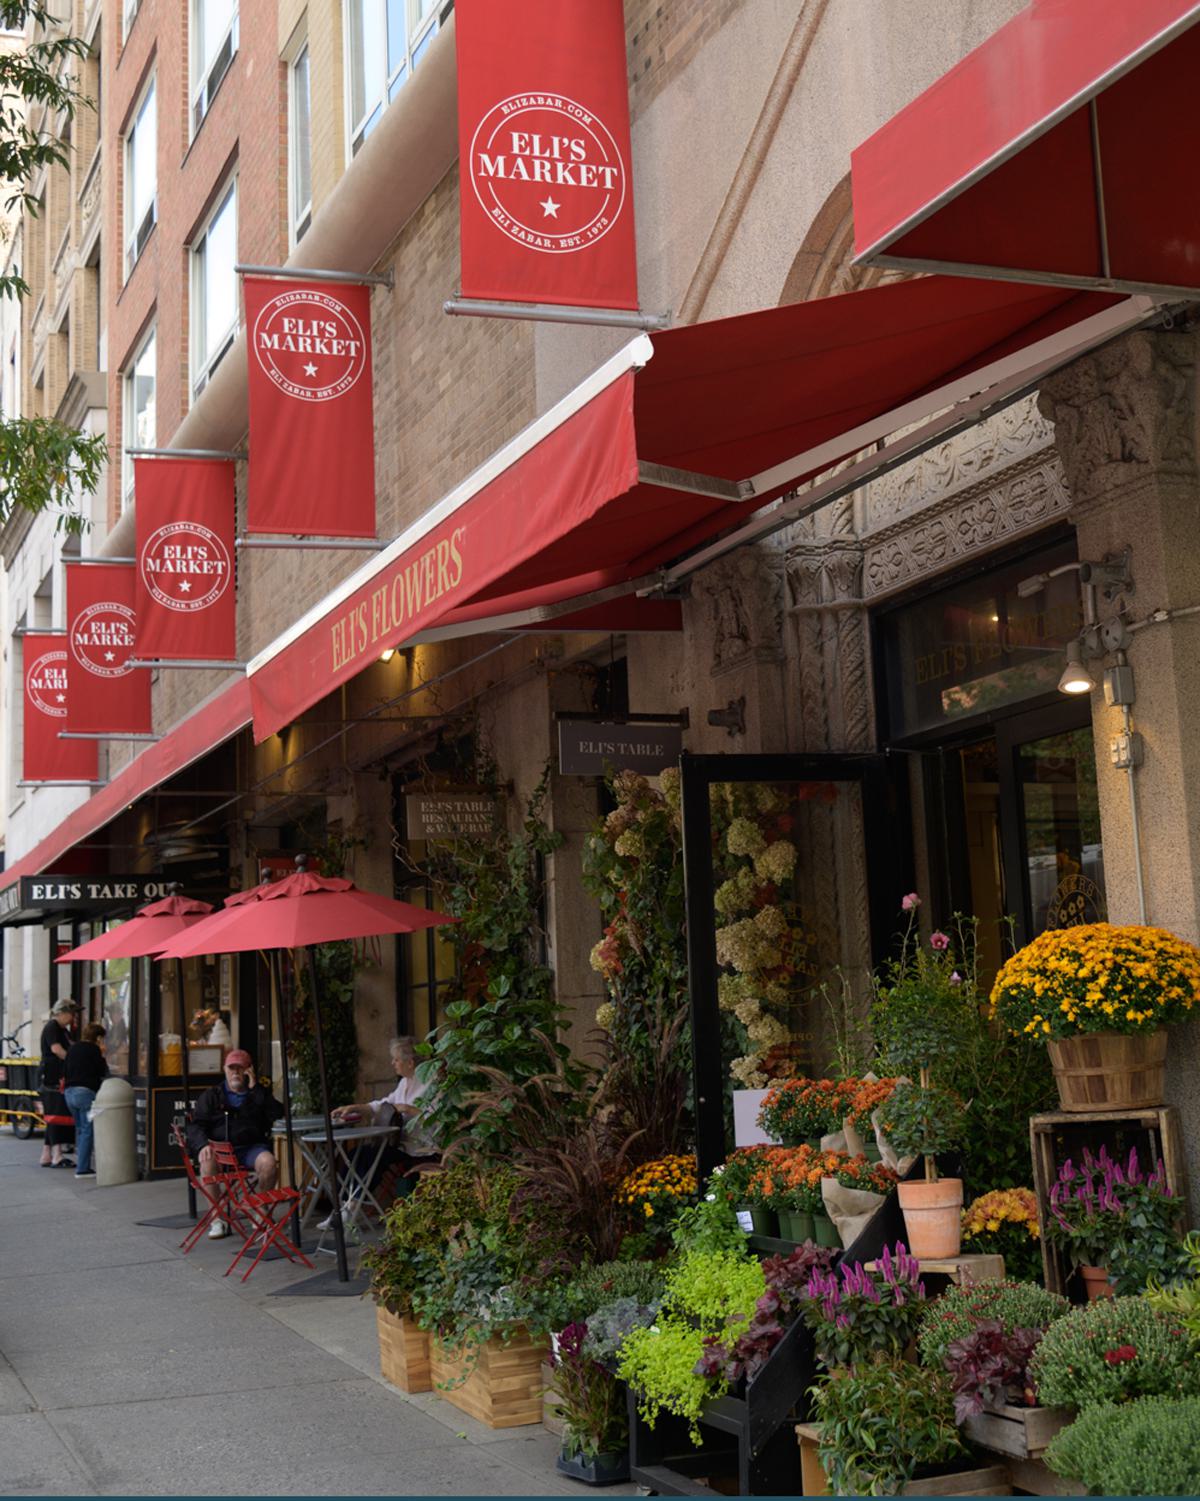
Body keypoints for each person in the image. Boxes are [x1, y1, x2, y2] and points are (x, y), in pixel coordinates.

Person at [320, 1036, 439, 1228]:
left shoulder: (431, 1084)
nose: (392, 1063)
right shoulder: (405, 1082)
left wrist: (408, 1109)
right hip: (402, 1144)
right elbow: (384, 1104)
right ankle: (343, 1207)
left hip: (422, 1149)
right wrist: (354, 1107)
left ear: (410, 1062)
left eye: (396, 1059)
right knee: (355, 1154)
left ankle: (351, 1210)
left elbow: (438, 1119)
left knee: (373, 1157)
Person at [186, 1050, 283, 1238]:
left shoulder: (258, 1094)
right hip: (220, 1151)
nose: (235, 1073)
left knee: (269, 1163)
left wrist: (256, 1090)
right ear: (224, 1070)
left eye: (240, 1068)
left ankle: (261, 1211)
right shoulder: (212, 1095)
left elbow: (278, 1114)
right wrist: (202, 1145)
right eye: (232, 1068)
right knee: (206, 1160)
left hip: (251, 1148)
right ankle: (216, 1219)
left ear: (249, 1070)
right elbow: (196, 1125)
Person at [63, 1023, 109, 1179]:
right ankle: (82, 1169)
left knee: (81, 1129)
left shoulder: (73, 1048)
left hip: (69, 1094)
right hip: (85, 1094)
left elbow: (65, 1070)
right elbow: (101, 1071)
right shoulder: (94, 1050)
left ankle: (82, 1164)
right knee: (88, 1130)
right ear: (98, 1038)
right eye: (102, 1039)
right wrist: (102, 1055)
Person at [39, 999, 79, 1168]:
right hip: (52, 1076)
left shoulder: (63, 1030)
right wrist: (74, 1062)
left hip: (57, 1075)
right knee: (55, 1114)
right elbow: (57, 1050)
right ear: (61, 1013)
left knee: (52, 1114)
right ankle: (57, 1154)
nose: (73, 1017)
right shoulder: (53, 1027)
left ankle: (46, 1154)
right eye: (71, 1013)